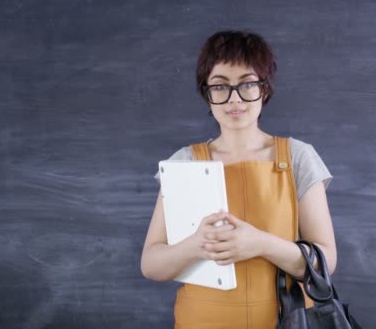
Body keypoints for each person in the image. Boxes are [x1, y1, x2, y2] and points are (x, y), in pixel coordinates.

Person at [141, 30, 338, 328]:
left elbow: (326, 260)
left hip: (286, 322)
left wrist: (260, 243)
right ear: (206, 93)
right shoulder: (184, 162)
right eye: (220, 86)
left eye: (247, 84)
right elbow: (151, 265)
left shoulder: (299, 156)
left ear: (265, 89)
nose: (234, 99)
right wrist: (197, 245)